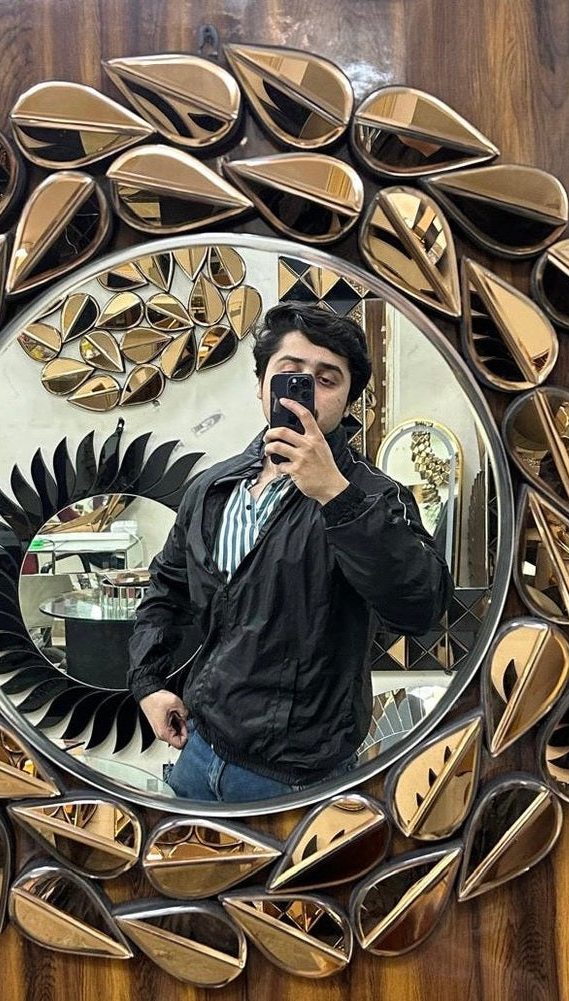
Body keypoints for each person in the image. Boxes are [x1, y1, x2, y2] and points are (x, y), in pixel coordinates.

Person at [127, 302, 454, 801]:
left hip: (300, 775)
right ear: (262, 384)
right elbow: (166, 590)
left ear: (348, 400)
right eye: (291, 373)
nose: (308, 390)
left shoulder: (375, 497)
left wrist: (335, 497)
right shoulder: (212, 488)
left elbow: (420, 608)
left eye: (327, 379)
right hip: (198, 751)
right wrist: (149, 683)